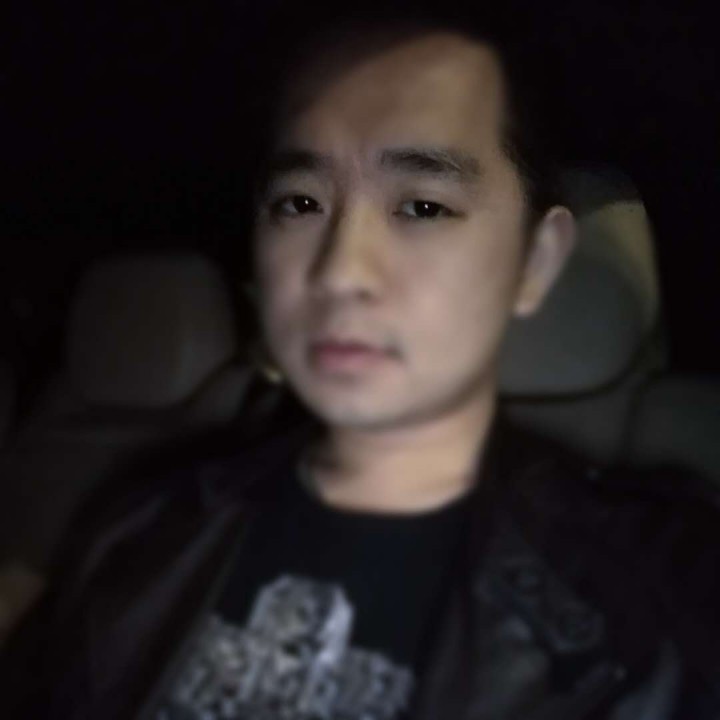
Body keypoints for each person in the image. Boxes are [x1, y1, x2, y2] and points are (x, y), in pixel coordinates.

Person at [1, 4, 718, 719]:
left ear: (535, 261)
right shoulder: (141, 533)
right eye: (299, 203)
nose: (341, 270)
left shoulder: (661, 597)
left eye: (423, 207)